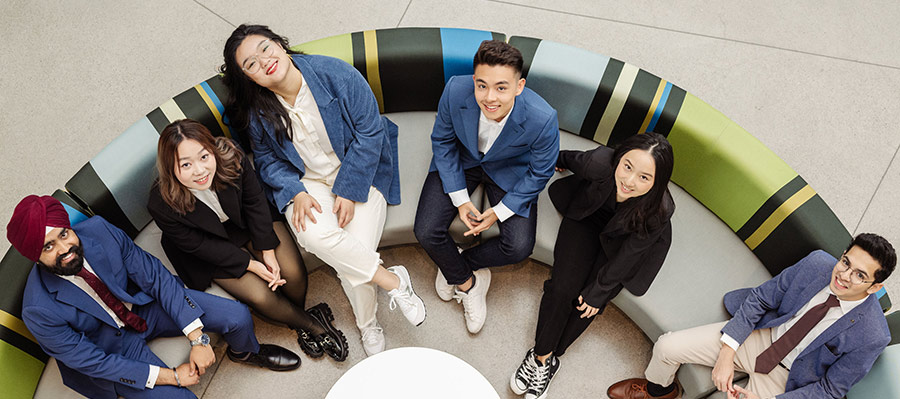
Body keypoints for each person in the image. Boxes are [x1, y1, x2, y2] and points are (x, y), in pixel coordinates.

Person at [220, 24, 426, 356]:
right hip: (308, 183)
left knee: (351, 254)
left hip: (360, 169)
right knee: (312, 236)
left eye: (265, 48)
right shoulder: (258, 111)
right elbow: (268, 161)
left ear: (280, 44)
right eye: (251, 64)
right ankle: (393, 281)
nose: (264, 61)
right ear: (249, 78)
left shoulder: (334, 74)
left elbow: (371, 131)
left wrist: (348, 188)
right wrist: (296, 191)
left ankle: (366, 324)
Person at [9, 195, 300, 399]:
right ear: (35, 255)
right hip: (110, 351)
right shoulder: (38, 309)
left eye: (63, 234)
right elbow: (95, 362)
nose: (64, 248)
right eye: (48, 247)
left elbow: (155, 277)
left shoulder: (99, 230)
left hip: (143, 309)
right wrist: (172, 376)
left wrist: (198, 339)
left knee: (237, 316)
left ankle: (245, 352)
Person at [147, 119, 347, 361]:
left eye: (203, 157)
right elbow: (199, 246)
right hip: (207, 246)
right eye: (186, 164)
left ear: (212, 150)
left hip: (245, 221)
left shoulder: (232, 156)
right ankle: (312, 325)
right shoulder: (161, 203)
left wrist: (268, 251)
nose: (199, 170)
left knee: (292, 273)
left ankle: (295, 316)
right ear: (171, 168)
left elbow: (255, 202)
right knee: (262, 296)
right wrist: (252, 264)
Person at [607, 233, 895, 399]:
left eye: (859, 275)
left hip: (788, 382)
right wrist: (726, 354)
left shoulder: (872, 335)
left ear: (875, 287)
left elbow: (830, 389)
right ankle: (660, 393)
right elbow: (761, 297)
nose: (843, 276)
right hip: (762, 337)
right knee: (667, 347)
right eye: (846, 262)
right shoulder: (818, 263)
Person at [511, 133, 676, 399]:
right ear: (619, 158)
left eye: (644, 177)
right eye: (627, 167)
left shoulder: (659, 210)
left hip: (625, 239)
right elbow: (571, 158)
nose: (629, 182)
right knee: (561, 289)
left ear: (657, 182)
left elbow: (629, 256)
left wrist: (598, 291)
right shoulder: (600, 161)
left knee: (589, 304)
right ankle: (542, 357)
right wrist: (559, 160)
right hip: (588, 218)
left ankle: (551, 356)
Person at [413, 40, 560, 334]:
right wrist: (460, 200)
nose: (489, 97)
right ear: (473, 81)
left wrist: (499, 212)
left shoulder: (543, 118)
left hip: (509, 172)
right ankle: (469, 283)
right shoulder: (455, 90)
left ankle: (458, 264)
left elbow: (541, 171)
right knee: (426, 230)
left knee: (519, 246)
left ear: (519, 86)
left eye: (501, 88)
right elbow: (442, 141)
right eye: (482, 86)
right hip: (462, 161)